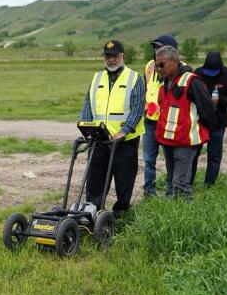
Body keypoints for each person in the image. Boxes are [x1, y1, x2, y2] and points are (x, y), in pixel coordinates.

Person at [80, 40, 145, 218]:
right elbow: (88, 104)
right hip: (99, 139)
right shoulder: (96, 78)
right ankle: (92, 214)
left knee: (124, 181)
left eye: (115, 56)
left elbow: (137, 107)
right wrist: (87, 127)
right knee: (95, 180)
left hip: (125, 141)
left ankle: (120, 214)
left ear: (122, 56)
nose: (111, 60)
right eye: (108, 56)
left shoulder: (135, 78)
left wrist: (124, 131)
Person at [154, 45, 216, 198]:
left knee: (180, 184)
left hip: (186, 142)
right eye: (156, 65)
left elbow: (207, 110)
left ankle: (186, 218)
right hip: (168, 141)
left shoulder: (192, 81)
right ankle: (171, 215)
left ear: (174, 61)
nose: (158, 68)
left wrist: (206, 133)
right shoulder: (163, 84)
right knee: (170, 181)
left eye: (162, 64)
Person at [190, 51, 227, 186]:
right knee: (193, 154)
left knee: (214, 156)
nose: (211, 75)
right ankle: (188, 182)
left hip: (218, 123)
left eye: (214, 72)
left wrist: (220, 100)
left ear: (221, 67)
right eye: (209, 71)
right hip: (198, 123)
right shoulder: (197, 74)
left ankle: (209, 184)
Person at [142, 34, 181, 197]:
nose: (156, 51)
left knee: (170, 161)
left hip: (169, 122)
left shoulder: (181, 68)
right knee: (148, 160)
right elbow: (147, 88)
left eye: (160, 48)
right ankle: (149, 193)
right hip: (150, 121)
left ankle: (170, 193)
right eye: (155, 48)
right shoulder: (150, 66)